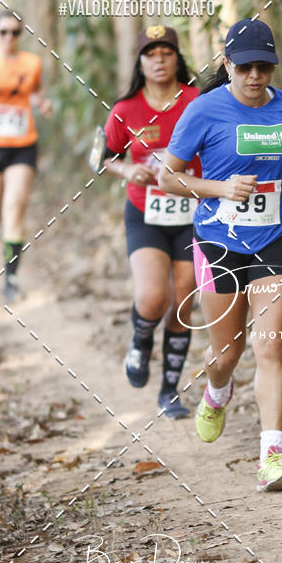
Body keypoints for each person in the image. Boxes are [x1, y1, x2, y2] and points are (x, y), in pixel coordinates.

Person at [159, 18, 282, 491]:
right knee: (227, 353)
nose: (255, 76)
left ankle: (273, 455)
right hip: (219, 242)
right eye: (246, 66)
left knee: (271, 346)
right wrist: (220, 188)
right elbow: (169, 176)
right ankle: (216, 390)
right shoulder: (203, 111)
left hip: (276, 239)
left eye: (265, 67)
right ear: (227, 63)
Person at [103, 25, 201, 418]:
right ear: (140, 62)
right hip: (146, 212)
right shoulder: (125, 110)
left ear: (178, 59)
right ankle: (141, 341)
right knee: (151, 297)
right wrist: (127, 171)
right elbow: (105, 157)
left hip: (193, 213)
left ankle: (170, 391)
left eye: (167, 53)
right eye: (151, 54)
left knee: (182, 301)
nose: (159, 61)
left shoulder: (198, 100)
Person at [0, 10, 52, 300]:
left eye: (15, 32)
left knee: (14, 209)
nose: (9, 38)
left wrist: (42, 103)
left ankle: (10, 280)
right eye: (3, 32)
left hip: (22, 145)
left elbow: (34, 91)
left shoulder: (31, 62)